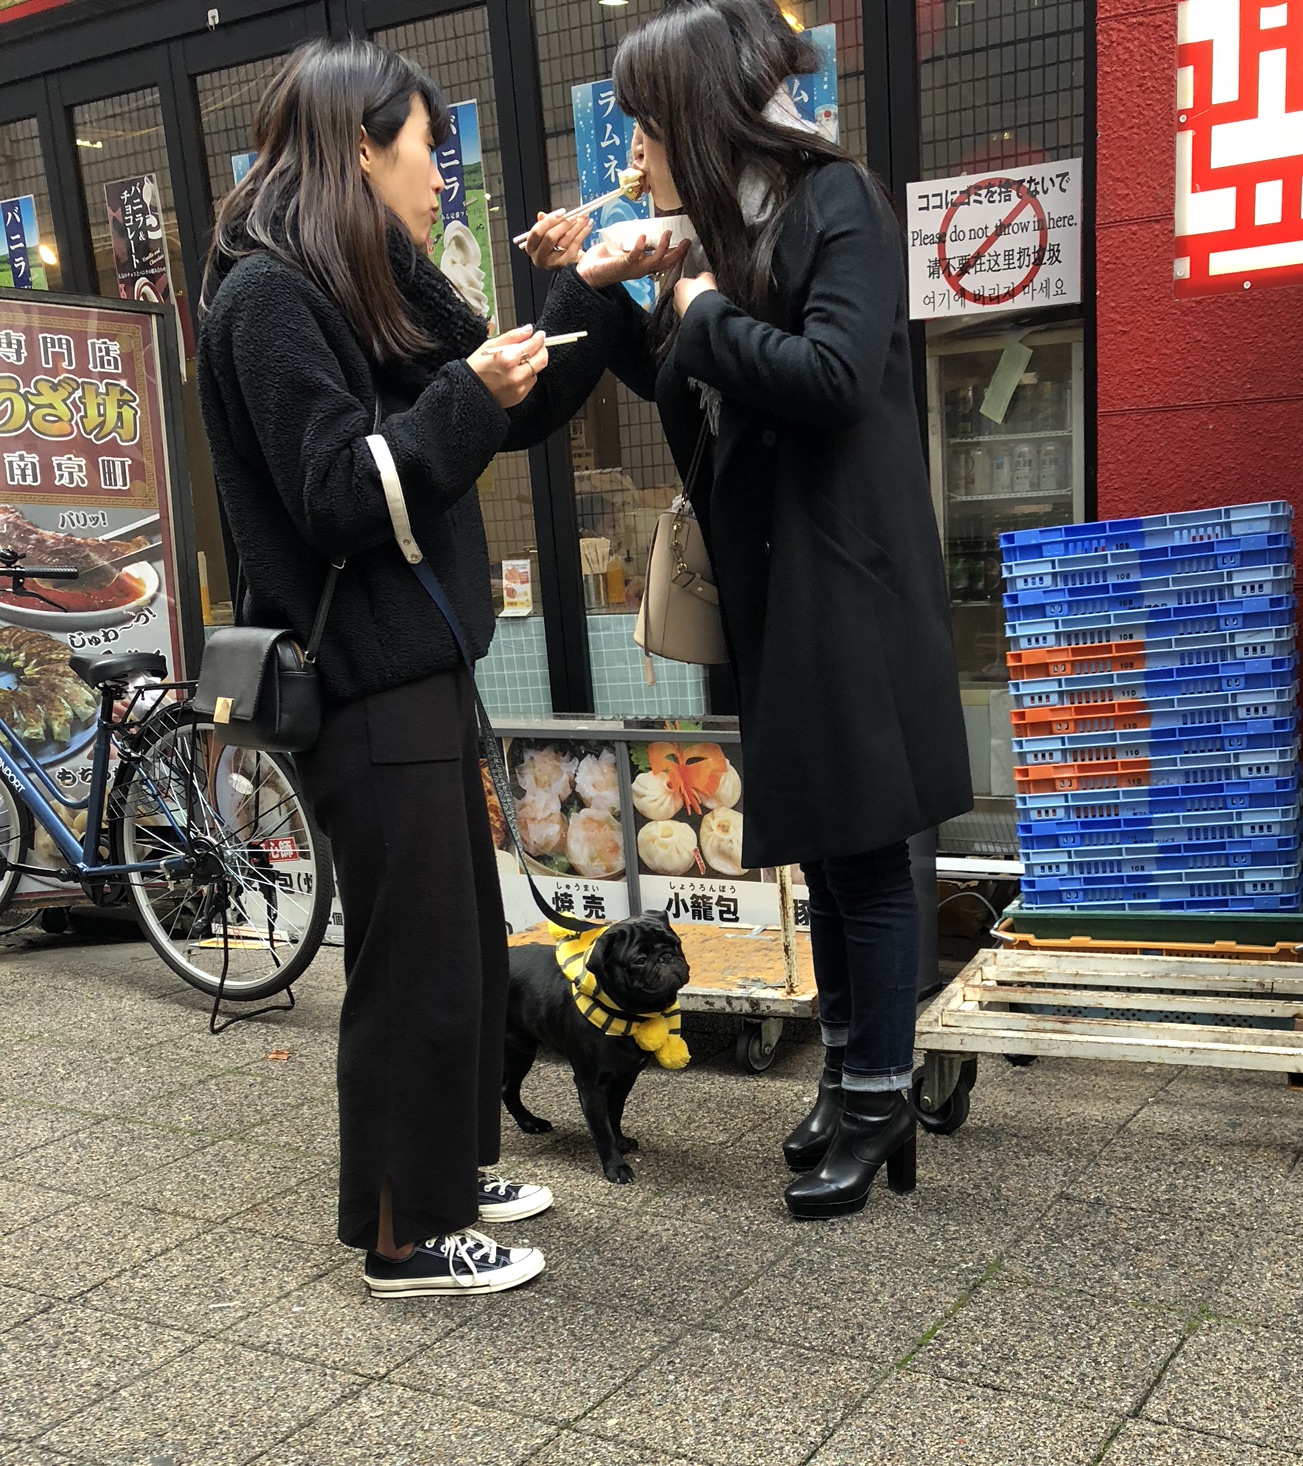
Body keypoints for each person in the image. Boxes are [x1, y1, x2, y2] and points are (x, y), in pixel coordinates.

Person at [198, 39, 679, 1295]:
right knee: (411, 962)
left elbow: (515, 399)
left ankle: (451, 1172)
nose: (440, 181)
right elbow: (336, 491)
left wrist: (585, 284)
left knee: (461, 942)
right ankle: (405, 1233)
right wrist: (466, 390)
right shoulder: (266, 295)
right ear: (361, 148)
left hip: (419, 666)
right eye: (428, 150)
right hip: (362, 679)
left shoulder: (373, 272)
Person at [528, 0, 972, 1219]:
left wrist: (696, 307)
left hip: (851, 582)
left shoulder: (836, 203)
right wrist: (608, 286)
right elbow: (690, 375)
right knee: (829, 847)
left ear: (700, 117)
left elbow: (834, 375)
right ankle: (851, 1077)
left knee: (866, 850)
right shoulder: (738, 231)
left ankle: (878, 1100)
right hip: (784, 585)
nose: (634, 153)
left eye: (645, 125)